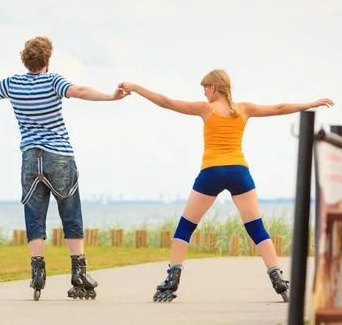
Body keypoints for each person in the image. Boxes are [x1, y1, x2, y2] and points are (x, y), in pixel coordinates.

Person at [0, 36, 129, 301]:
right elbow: (79, 92)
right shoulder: (53, 81)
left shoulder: (12, 84)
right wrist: (111, 97)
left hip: (29, 158)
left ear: (25, 60)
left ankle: (38, 273)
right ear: (47, 60)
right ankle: (79, 273)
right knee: (70, 211)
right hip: (59, 156)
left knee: (34, 215)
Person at [119, 70, 334, 303]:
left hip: (211, 172)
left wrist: (136, 88)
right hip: (239, 172)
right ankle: (279, 280)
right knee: (256, 227)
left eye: (204, 88)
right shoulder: (244, 109)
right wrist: (311, 104)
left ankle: (172, 280)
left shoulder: (206, 109)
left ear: (213, 88)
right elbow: (280, 108)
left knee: (185, 226)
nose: (203, 92)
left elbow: (167, 103)